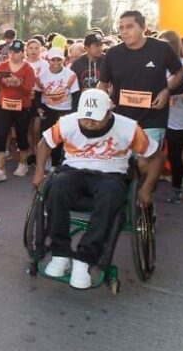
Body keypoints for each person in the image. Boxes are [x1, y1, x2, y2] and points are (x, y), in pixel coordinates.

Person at [33, 88, 162, 289]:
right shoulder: (68, 122)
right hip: (73, 170)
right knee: (56, 186)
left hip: (111, 174)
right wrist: (39, 171)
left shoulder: (128, 127)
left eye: (96, 119)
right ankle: (60, 252)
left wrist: (147, 188)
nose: (90, 123)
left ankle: (85, 258)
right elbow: (44, 144)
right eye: (85, 118)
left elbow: (156, 156)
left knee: (110, 193)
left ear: (109, 113)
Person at [98, 10, 183, 168]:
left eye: (129, 27)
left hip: (152, 117)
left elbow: (180, 73)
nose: (124, 31)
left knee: (145, 163)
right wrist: (104, 101)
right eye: (121, 27)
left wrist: (167, 90)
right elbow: (102, 84)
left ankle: (144, 190)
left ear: (143, 27)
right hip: (121, 118)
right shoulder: (112, 53)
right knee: (123, 165)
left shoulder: (162, 49)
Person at [158, 30, 183, 204]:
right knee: (152, 151)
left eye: (165, 45)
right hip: (158, 115)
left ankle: (176, 189)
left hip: (179, 117)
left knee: (175, 154)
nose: (161, 48)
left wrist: (172, 89)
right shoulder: (156, 64)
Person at [0, 39, 36, 182]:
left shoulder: (28, 69)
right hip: (4, 105)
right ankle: (0, 170)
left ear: (23, 53)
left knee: (21, 136)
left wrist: (18, 83)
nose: (13, 55)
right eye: (11, 52)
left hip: (22, 106)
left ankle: (23, 164)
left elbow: (29, 90)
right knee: (1, 135)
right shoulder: (2, 66)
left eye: (17, 52)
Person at [37, 47, 81, 168]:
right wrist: (39, 107)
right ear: (48, 60)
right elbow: (37, 93)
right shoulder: (42, 75)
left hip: (66, 110)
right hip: (49, 109)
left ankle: (58, 163)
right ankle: (48, 160)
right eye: (53, 60)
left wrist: (74, 111)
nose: (56, 63)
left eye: (59, 60)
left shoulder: (70, 75)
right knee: (47, 136)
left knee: (63, 137)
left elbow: (76, 94)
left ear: (64, 60)